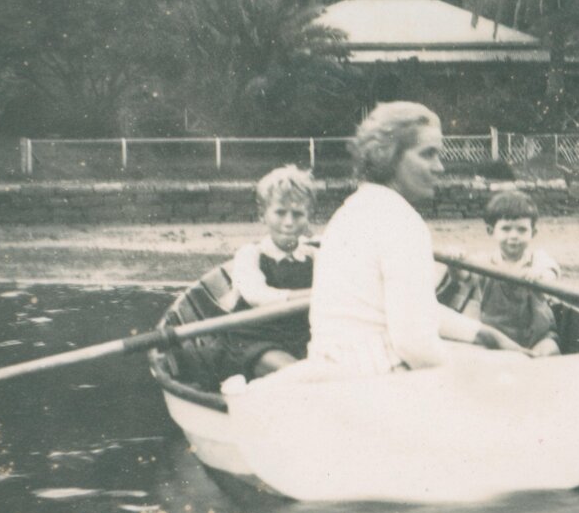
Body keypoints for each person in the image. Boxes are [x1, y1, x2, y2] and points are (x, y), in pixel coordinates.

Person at [245, 101, 525, 389]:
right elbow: (416, 346)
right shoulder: (402, 221)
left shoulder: (352, 209)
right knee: (516, 370)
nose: (440, 167)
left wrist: (481, 333)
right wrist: (486, 364)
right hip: (377, 380)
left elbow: (406, 310)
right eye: (428, 154)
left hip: (335, 366)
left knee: (487, 356)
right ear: (389, 156)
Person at [218, 164, 316, 381]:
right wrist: (315, 294)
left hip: (302, 340)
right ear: (263, 215)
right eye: (280, 213)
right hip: (256, 340)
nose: (289, 222)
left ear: (308, 217)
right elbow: (257, 296)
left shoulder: (314, 256)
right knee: (304, 377)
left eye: (298, 214)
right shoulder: (250, 254)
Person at [462, 190, 561, 357]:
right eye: (506, 229)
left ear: (533, 232)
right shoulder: (483, 262)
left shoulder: (538, 260)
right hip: (495, 340)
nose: (514, 236)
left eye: (522, 230)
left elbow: (551, 273)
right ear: (491, 231)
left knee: (550, 349)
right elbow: (461, 277)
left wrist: (539, 275)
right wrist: (455, 262)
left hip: (536, 339)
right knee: (474, 353)